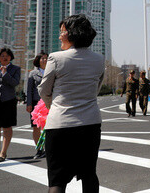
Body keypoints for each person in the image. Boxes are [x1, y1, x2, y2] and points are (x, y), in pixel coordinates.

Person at [38, 14, 105, 193]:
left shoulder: (56, 58)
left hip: (60, 126)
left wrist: (54, 105)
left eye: (62, 32)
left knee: (57, 181)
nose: (60, 36)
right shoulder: (99, 60)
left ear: (73, 33)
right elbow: (95, 89)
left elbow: (43, 90)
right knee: (89, 174)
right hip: (90, 125)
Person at [27, 52, 48, 158]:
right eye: (42, 58)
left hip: (49, 103)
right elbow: (29, 90)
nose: (44, 60)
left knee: (50, 127)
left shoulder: (52, 71)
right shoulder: (32, 73)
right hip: (36, 104)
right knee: (36, 127)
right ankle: (39, 149)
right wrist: (29, 104)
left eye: (46, 58)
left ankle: (49, 149)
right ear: (38, 60)